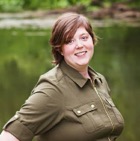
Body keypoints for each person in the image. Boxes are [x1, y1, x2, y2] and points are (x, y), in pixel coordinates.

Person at [0, 12, 124, 141]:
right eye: (69, 41)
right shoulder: (53, 88)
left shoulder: (99, 80)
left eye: (84, 37)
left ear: (92, 40)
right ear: (60, 49)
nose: (79, 45)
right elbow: (8, 137)